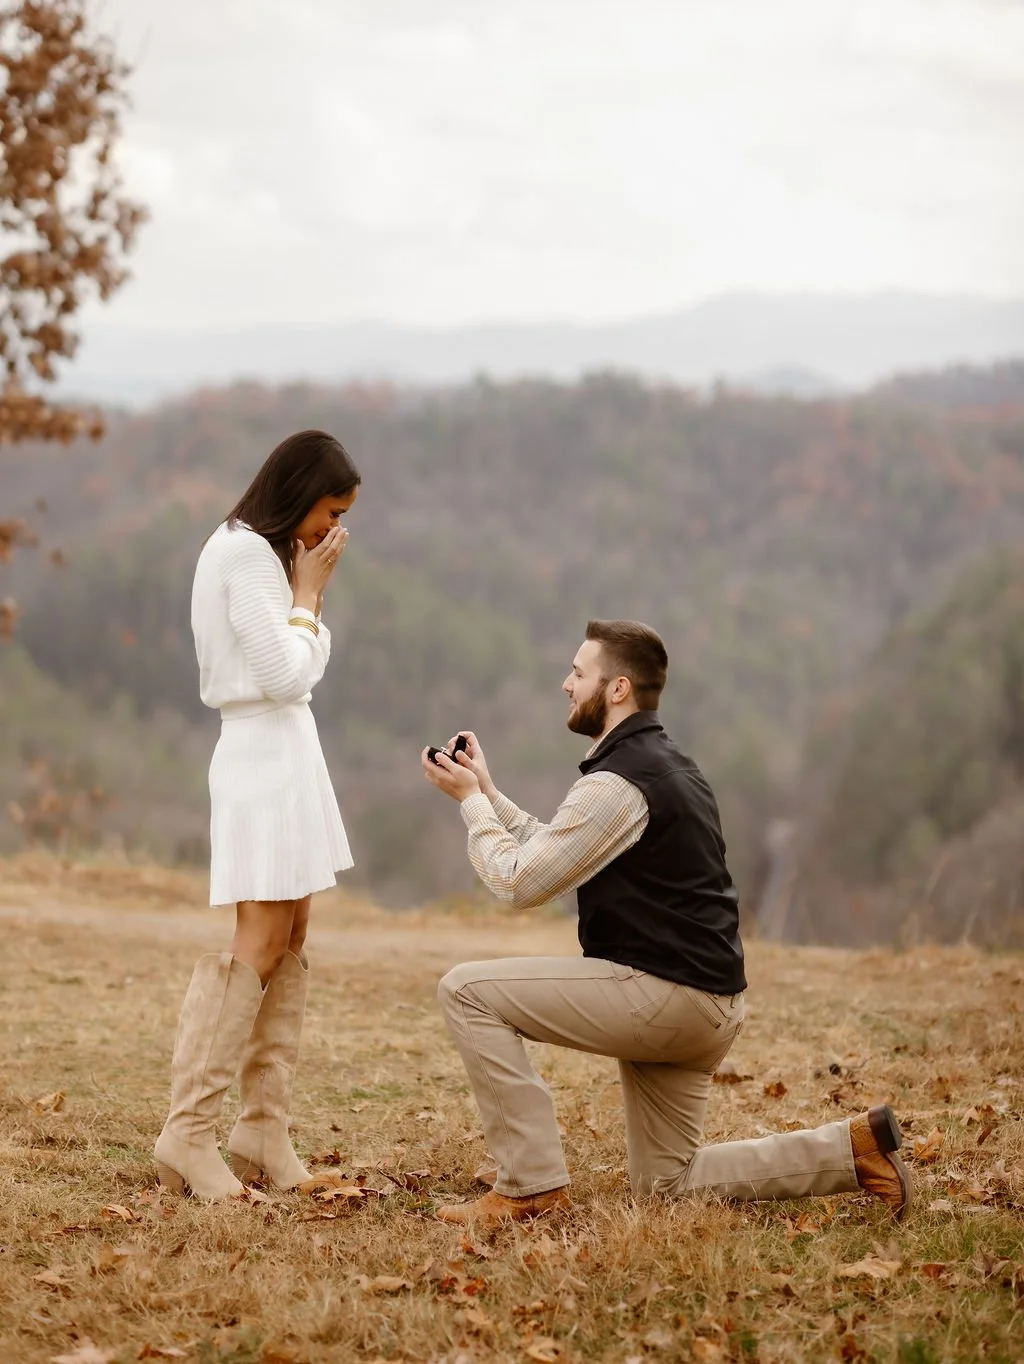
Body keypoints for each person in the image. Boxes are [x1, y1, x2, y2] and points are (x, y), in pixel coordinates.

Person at [421, 619, 913, 1228]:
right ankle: (854, 1151)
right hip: (706, 1004)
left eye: (578, 673)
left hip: (666, 998)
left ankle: (528, 1185)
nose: (565, 684)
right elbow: (555, 850)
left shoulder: (618, 784)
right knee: (666, 1186)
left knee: (466, 991)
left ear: (618, 687)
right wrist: (488, 792)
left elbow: (520, 882)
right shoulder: (664, 766)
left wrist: (470, 807)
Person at [154, 429, 360, 1201]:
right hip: (261, 757)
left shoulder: (262, 554)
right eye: (329, 511)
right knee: (261, 938)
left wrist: (304, 610)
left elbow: (297, 666)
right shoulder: (245, 555)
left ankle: (261, 1129)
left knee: (293, 932)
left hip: (287, 754)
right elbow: (285, 673)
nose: (333, 531)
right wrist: (309, 600)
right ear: (300, 491)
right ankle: (190, 1131)